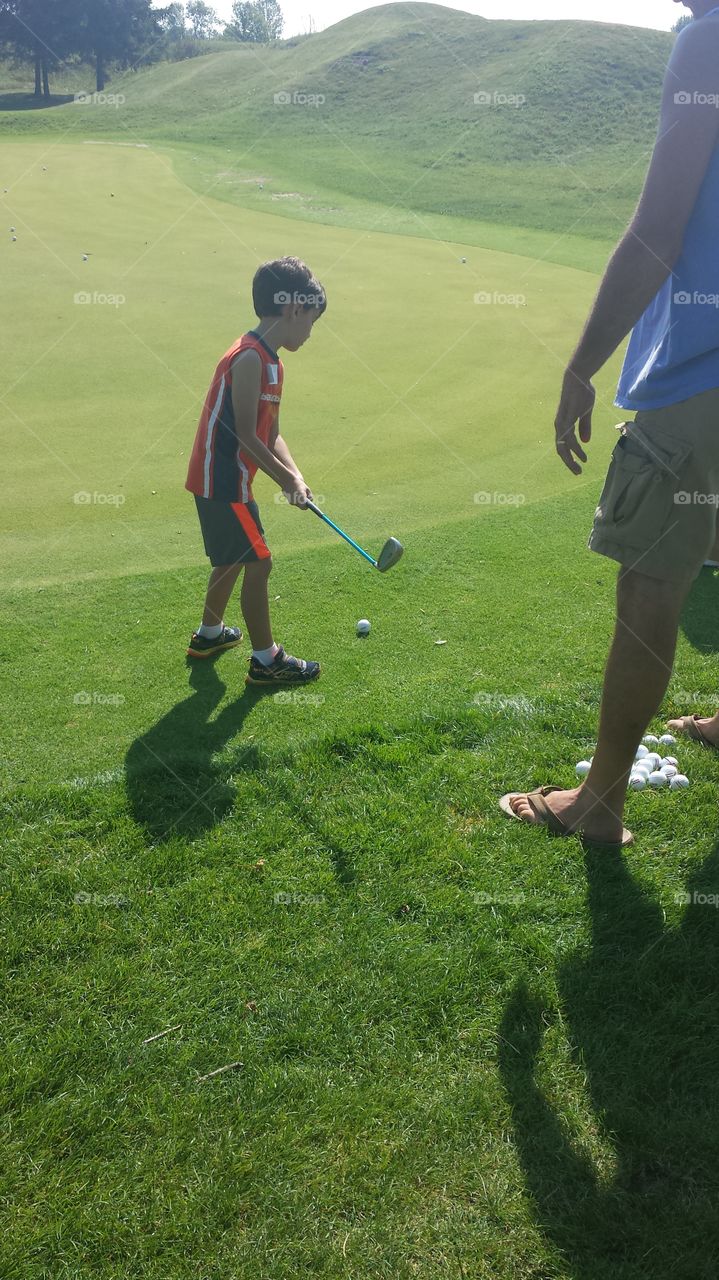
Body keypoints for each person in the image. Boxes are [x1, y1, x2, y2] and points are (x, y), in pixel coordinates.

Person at [501, 0, 719, 847]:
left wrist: (580, 364)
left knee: (651, 580)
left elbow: (658, 230)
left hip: (701, 369)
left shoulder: (707, 38)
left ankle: (598, 801)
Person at [185, 256, 325, 686]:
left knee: (231, 559)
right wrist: (283, 481)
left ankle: (209, 636)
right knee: (258, 563)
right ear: (293, 309)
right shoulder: (249, 358)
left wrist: (295, 476)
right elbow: (247, 436)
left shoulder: (272, 362)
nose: (310, 332)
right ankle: (267, 660)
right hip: (222, 479)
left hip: (227, 478)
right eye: (311, 321)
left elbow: (272, 432)